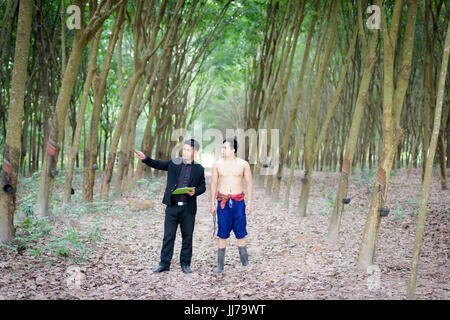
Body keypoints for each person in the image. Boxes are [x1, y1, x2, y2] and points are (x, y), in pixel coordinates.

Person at [135, 139, 205, 274]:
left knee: (187, 237)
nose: (185, 152)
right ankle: (164, 263)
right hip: (172, 206)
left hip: (188, 209)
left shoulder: (199, 169)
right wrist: (145, 158)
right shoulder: (174, 163)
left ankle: (185, 264)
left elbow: (202, 187)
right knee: (168, 236)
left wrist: (195, 191)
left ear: (195, 152)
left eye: (188, 150)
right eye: (184, 149)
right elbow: (158, 164)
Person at [210, 137, 253, 273]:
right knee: (222, 233)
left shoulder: (243, 164)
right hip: (222, 203)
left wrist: (250, 203)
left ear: (233, 150)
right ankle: (220, 266)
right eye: (222, 148)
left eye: (225, 148)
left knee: (241, 233)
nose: (222, 150)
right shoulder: (217, 164)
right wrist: (212, 203)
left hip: (238, 202)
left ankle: (245, 263)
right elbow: (213, 184)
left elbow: (249, 184)